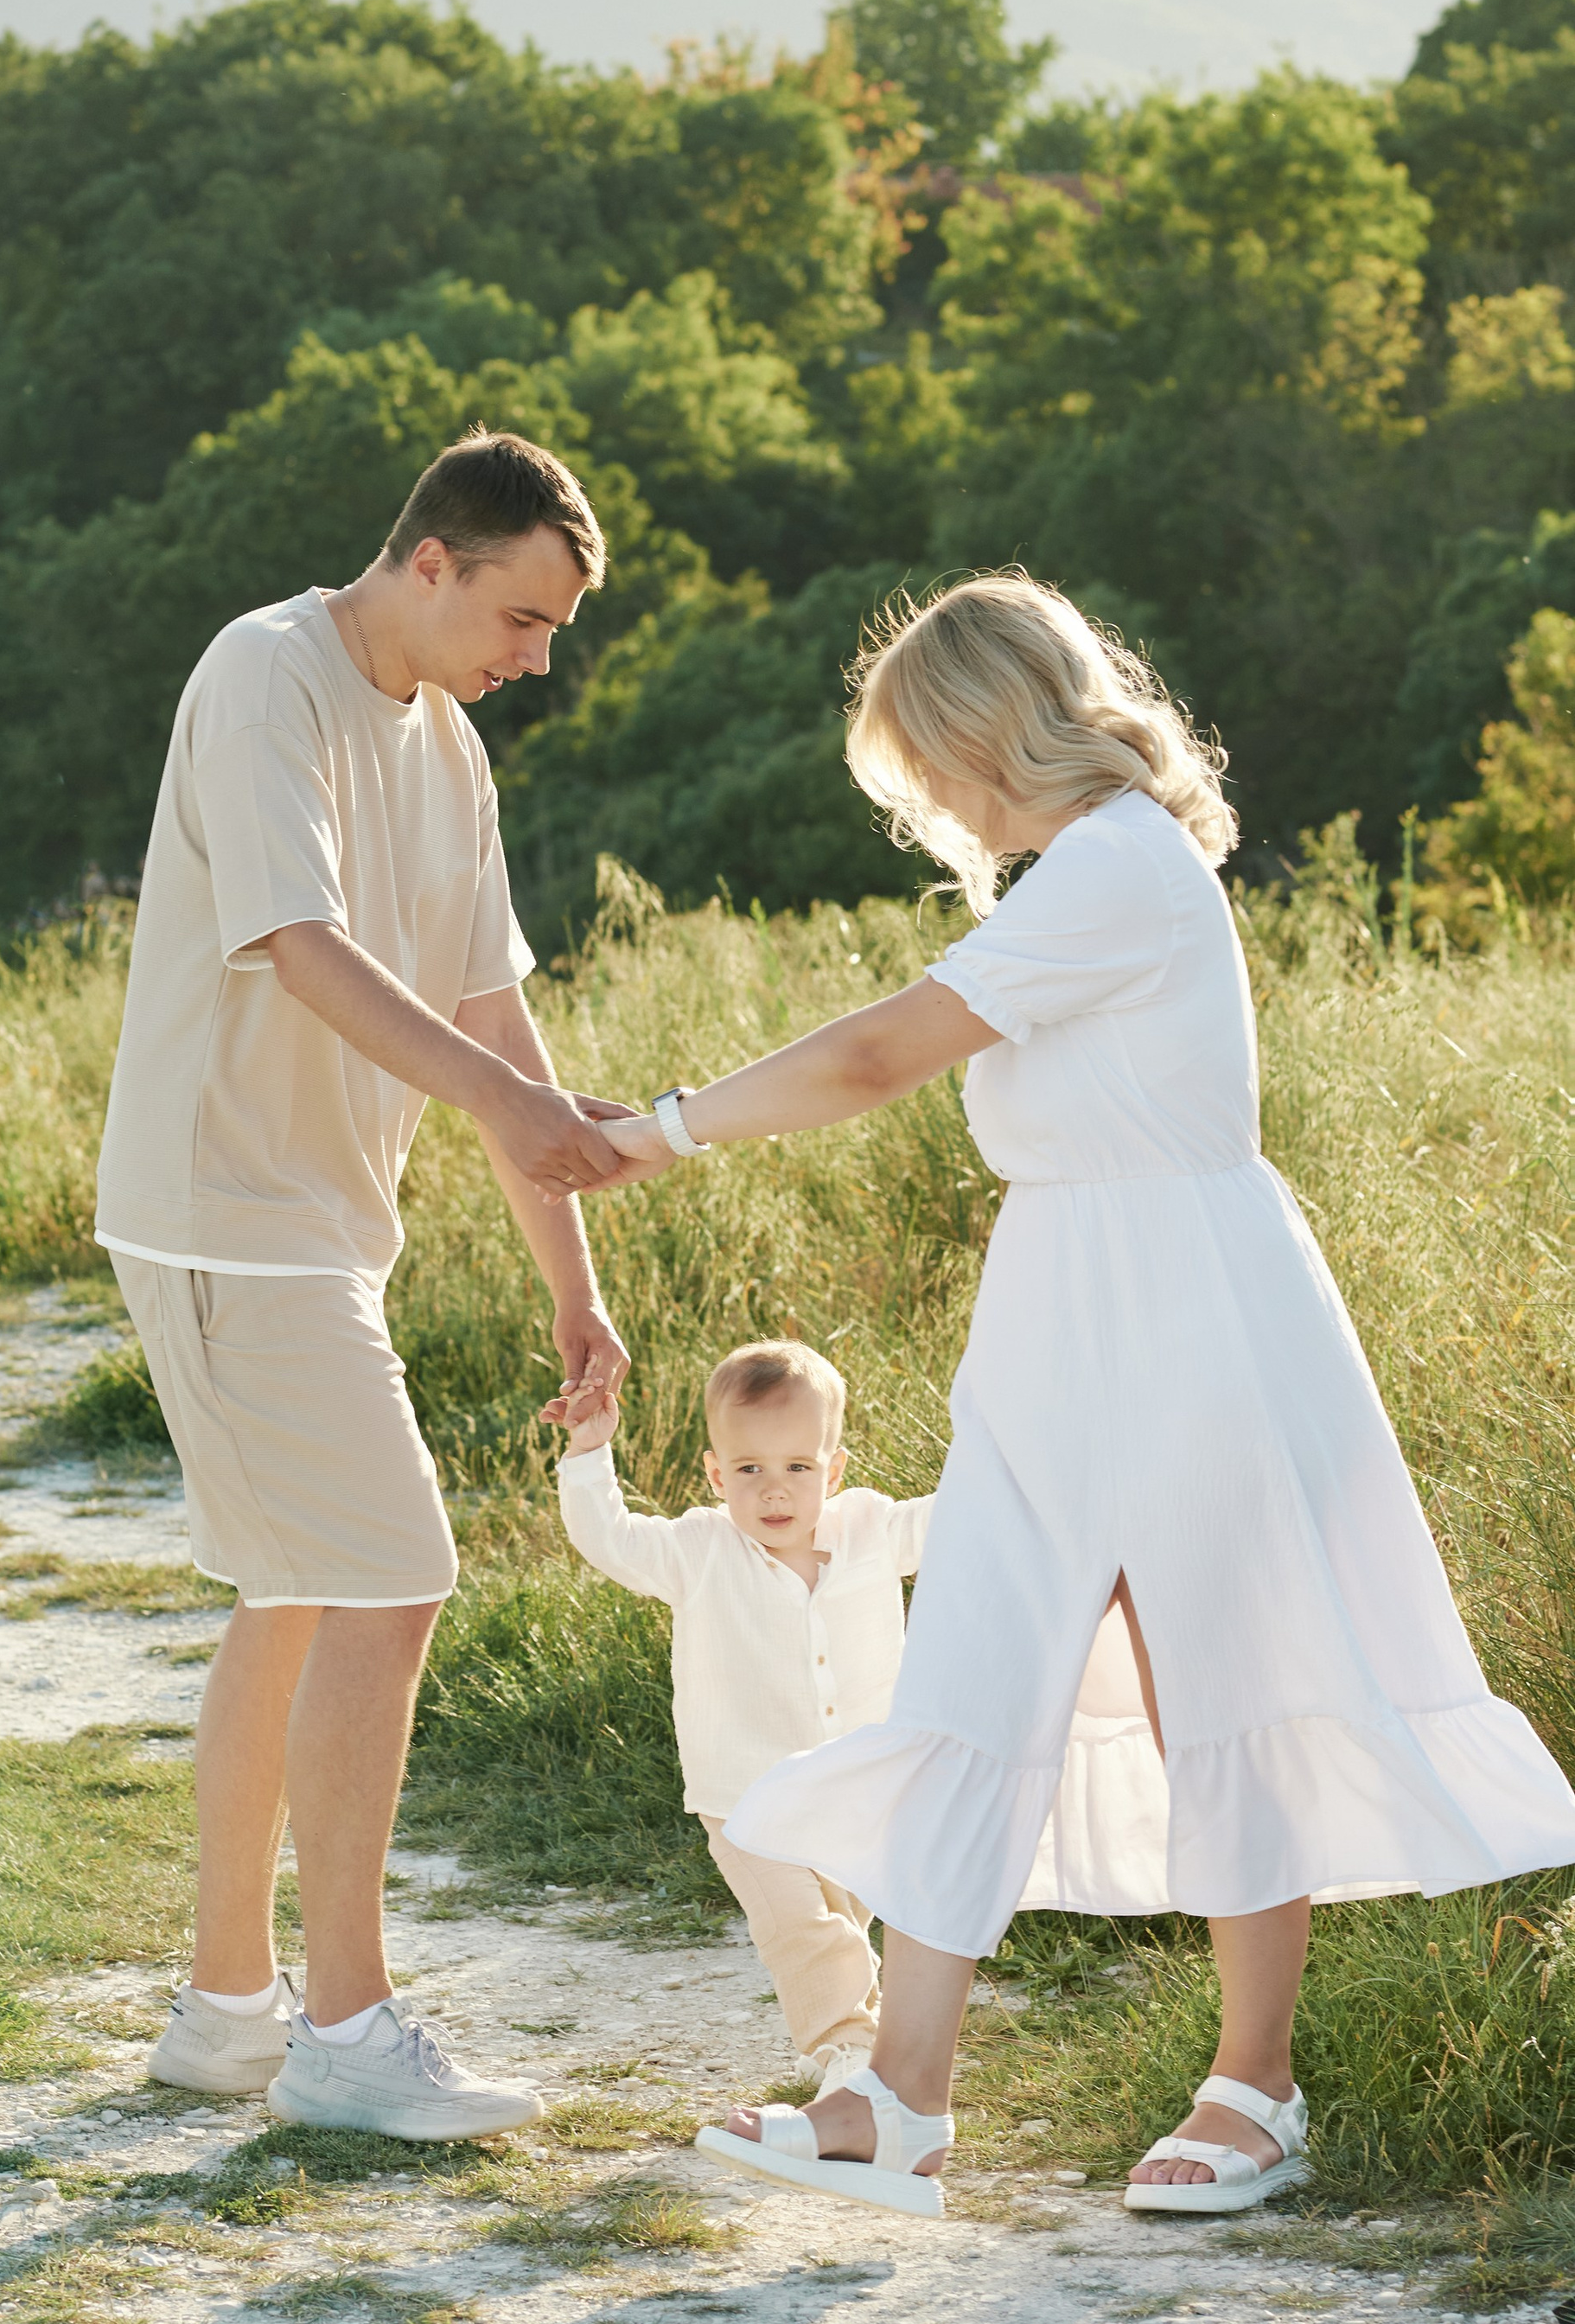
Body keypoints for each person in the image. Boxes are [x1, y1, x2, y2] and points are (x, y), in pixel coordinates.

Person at [582, 574, 1575, 2218]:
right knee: (976, 1652)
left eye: (928, 766)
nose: (933, 808)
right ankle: (901, 2102)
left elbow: (873, 1056)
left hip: (1188, 1306)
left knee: (1224, 1674)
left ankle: (1256, 2089)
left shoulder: (1122, 867)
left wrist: (663, 1127)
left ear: (987, 728)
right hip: (1062, 1306)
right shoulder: (1073, 881)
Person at [95, 429, 633, 2142]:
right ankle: (342, 2033)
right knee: (388, 1573)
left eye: (549, 631)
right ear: (429, 561)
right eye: (522, 616)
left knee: (300, 1593)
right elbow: (294, 945)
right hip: (222, 1214)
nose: (534, 656)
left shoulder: (450, 752)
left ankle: (225, 2012)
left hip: (311, 1225)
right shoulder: (266, 678)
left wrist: (576, 1285)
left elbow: (489, 1018)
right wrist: (505, 1109)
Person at [555, 1337, 928, 2089]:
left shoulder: (871, 1529)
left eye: (799, 1467)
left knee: (845, 1919)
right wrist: (590, 1453)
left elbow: (969, 1521)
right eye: (750, 1470)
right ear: (716, 1472)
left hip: (856, 1782)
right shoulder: (700, 1548)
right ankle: (848, 2050)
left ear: (836, 1469)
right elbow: (613, 1540)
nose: (774, 1491)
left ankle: (860, 2035)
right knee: (801, 1924)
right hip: (744, 1794)